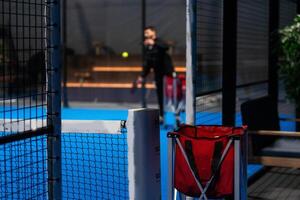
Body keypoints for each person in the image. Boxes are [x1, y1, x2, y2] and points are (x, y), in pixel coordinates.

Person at [138, 26, 174, 123]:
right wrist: (142, 75)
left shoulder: (159, 42)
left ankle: (176, 115)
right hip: (158, 74)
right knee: (160, 95)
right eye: (145, 33)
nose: (145, 35)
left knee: (171, 96)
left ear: (153, 32)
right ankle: (162, 115)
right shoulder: (148, 47)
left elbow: (165, 47)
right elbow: (148, 63)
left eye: (147, 32)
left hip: (167, 74)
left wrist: (154, 43)